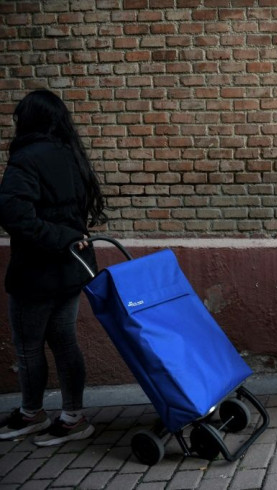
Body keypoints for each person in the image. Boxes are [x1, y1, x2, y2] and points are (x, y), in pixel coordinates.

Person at [0, 90, 106, 445]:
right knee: (64, 342)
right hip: (72, 267)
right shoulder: (71, 154)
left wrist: (59, 238)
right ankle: (73, 416)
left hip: (38, 272)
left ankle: (32, 414)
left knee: (30, 346)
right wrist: (66, 238)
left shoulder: (26, 159)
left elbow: (16, 217)